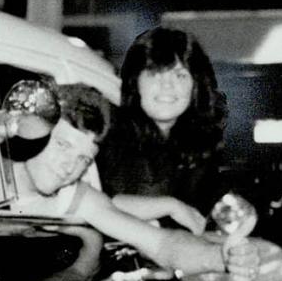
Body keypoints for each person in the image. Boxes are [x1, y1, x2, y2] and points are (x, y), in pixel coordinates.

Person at [5, 80, 258, 281]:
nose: (69, 166)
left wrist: (220, 257)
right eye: (63, 145)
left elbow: (162, 244)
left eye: (83, 158)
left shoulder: (73, 198)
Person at [97, 27, 228, 215]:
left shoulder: (202, 147)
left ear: (195, 87)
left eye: (180, 75)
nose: (167, 85)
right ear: (135, 83)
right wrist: (170, 207)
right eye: (155, 73)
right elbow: (91, 204)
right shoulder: (108, 135)